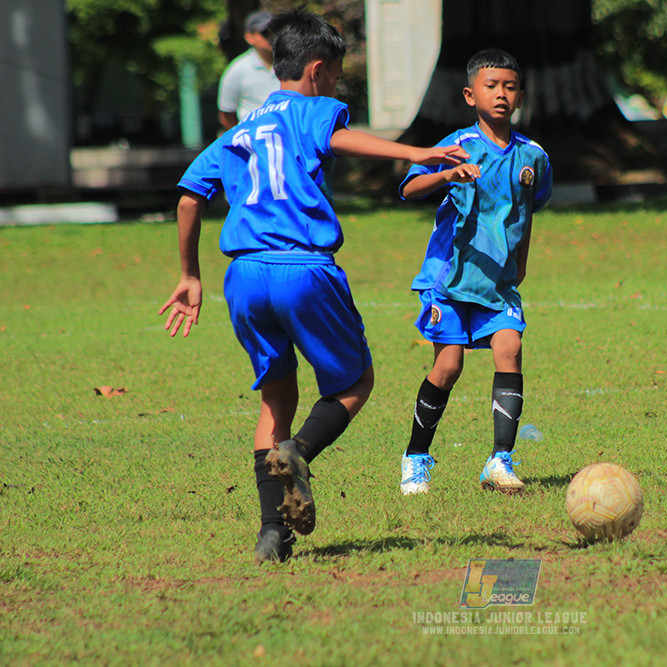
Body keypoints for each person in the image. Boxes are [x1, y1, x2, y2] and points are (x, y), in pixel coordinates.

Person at [158, 9, 467, 563]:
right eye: (336, 77)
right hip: (303, 268)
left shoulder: (238, 132)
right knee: (356, 381)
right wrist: (417, 152)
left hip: (244, 276)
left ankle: (271, 536)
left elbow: (187, 198)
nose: (335, 88)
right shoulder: (311, 111)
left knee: (276, 397)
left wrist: (189, 275)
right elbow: (342, 138)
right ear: (316, 71)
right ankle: (298, 452)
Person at [396, 49, 553, 496]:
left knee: (510, 345)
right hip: (449, 279)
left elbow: (527, 209)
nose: (501, 94)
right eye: (491, 86)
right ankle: (416, 459)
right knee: (448, 365)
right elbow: (409, 187)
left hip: (499, 282)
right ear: (470, 95)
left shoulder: (534, 157)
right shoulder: (456, 146)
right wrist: (447, 175)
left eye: (509, 86)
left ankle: (500, 461)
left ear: (520, 95)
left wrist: (520, 263)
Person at [216, 10, 280, 131]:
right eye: (265, 33)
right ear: (249, 37)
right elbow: (226, 114)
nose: (271, 37)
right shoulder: (237, 69)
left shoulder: (289, 65)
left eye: (275, 32)